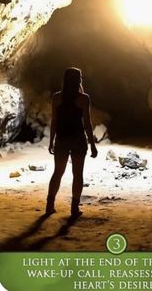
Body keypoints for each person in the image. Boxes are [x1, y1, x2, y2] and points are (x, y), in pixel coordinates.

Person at [46, 67, 98, 218]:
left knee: (58, 172)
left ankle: (50, 205)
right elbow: (87, 123)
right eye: (80, 77)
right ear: (78, 80)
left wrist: (51, 141)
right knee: (77, 174)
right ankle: (74, 208)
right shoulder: (84, 98)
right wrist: (93, 145)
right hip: (78, 140)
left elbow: (54, 121)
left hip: (62, 139)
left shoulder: (57, 97)